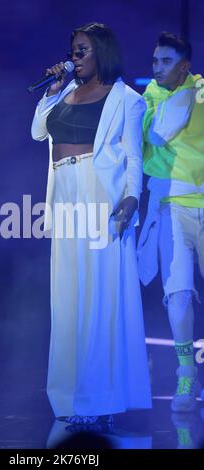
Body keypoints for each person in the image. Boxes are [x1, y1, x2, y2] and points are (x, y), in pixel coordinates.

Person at [31, 22, 152, 424]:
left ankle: (99, 398)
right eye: (73, 50)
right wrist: (50, 91)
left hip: (99, 196)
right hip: (64, 194)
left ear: (101, 52)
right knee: (67, 298)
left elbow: (133, 155)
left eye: (82, 50)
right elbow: (37, 132)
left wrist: (133, 196)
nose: (75, 57)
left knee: (98, 298)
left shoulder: (126, 100)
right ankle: (68, 396)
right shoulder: (63, 91)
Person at [138, 31, 204, 412]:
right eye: (155, 61)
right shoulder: (147, 98)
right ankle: (186, 377)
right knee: (177, 294)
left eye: (166, 62)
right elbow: (155, 135)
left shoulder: (198, 91)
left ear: (185, 65)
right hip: (171, 204)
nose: (157, 68)